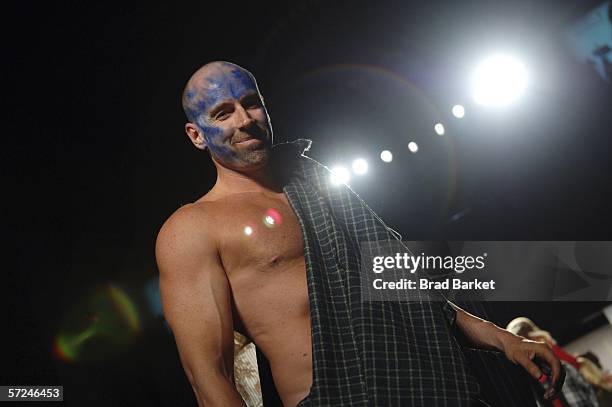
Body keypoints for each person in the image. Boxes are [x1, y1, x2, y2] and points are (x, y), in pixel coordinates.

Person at [155, 61, 563, 407]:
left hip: (428, 388)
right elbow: (208, 375)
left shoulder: (317, 184)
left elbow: (414, 293)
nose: (244, 120)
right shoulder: (192, 230)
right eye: (223, 113)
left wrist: (507, 341)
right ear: (196, 135)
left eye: (251, 104)